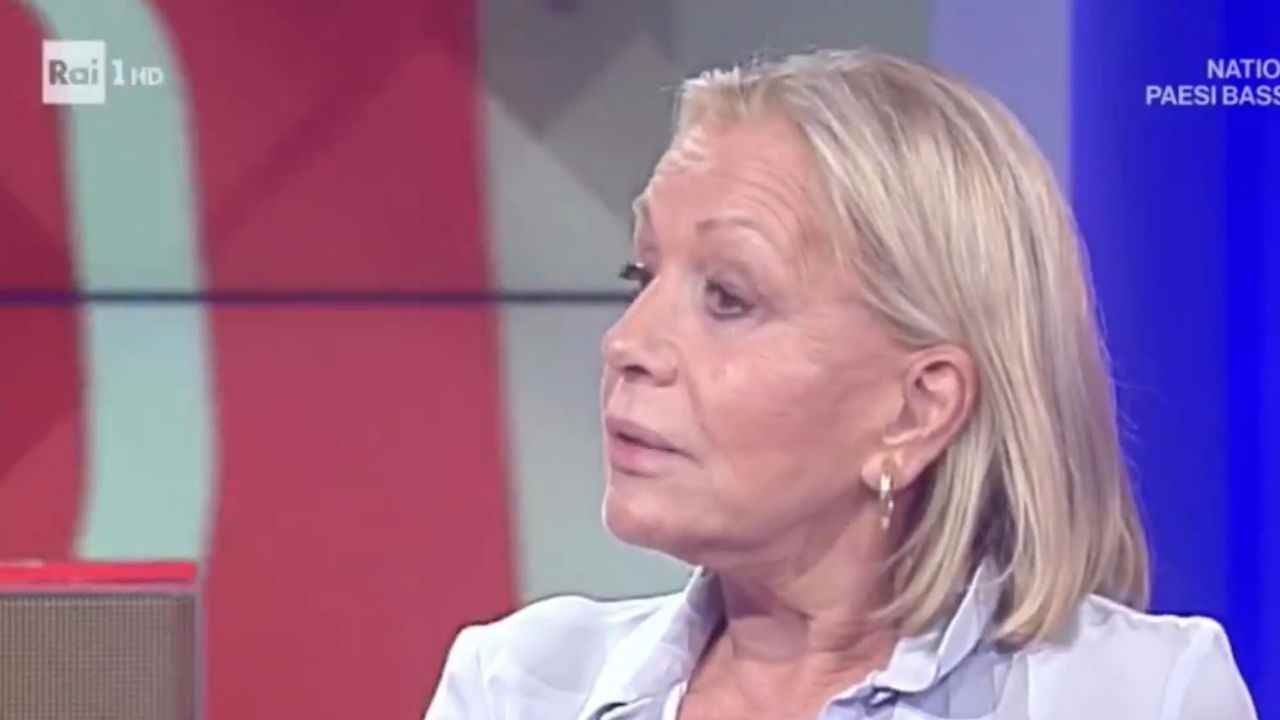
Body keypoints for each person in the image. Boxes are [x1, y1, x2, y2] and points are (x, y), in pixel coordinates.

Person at [424, 48, 1257, 719]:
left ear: (916, 409)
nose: (627, 343)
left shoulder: (1135, 694)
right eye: (639, 276)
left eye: (728, 297)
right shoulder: (518, 688)